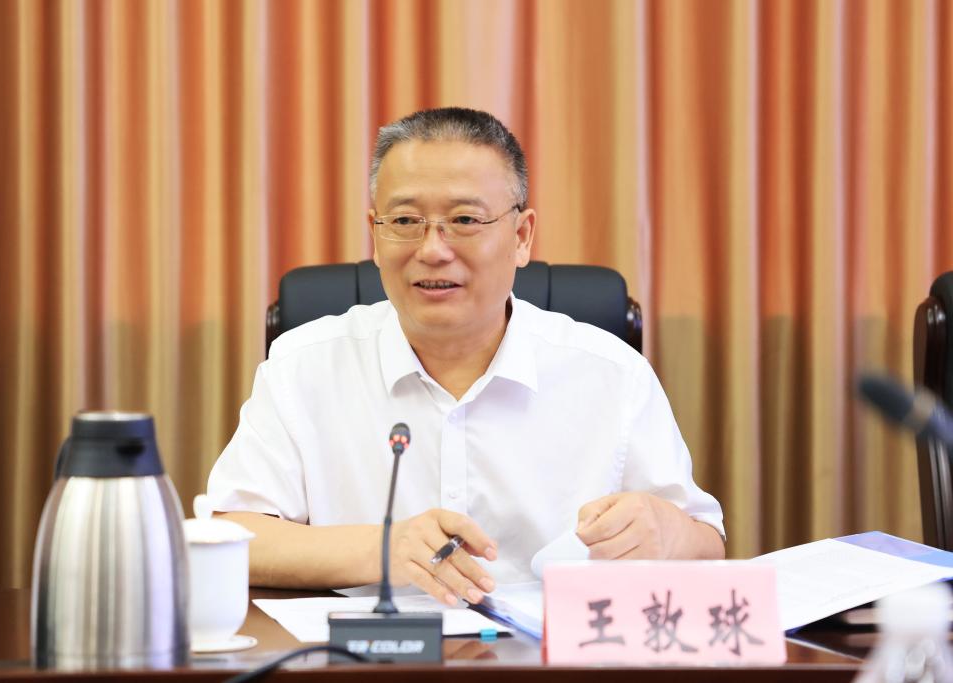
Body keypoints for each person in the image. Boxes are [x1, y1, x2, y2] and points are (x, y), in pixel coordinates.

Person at [207, 107, 724, 607]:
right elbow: (232, 536)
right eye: (405, 220)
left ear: (521, 237)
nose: (433, 250)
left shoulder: (612, 374)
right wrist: (382, 549)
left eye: (464, 219)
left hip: (550, 654)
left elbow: (707, 544)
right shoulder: (304, 366)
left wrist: (666, 534)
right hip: (364, 654)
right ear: (376, 234)